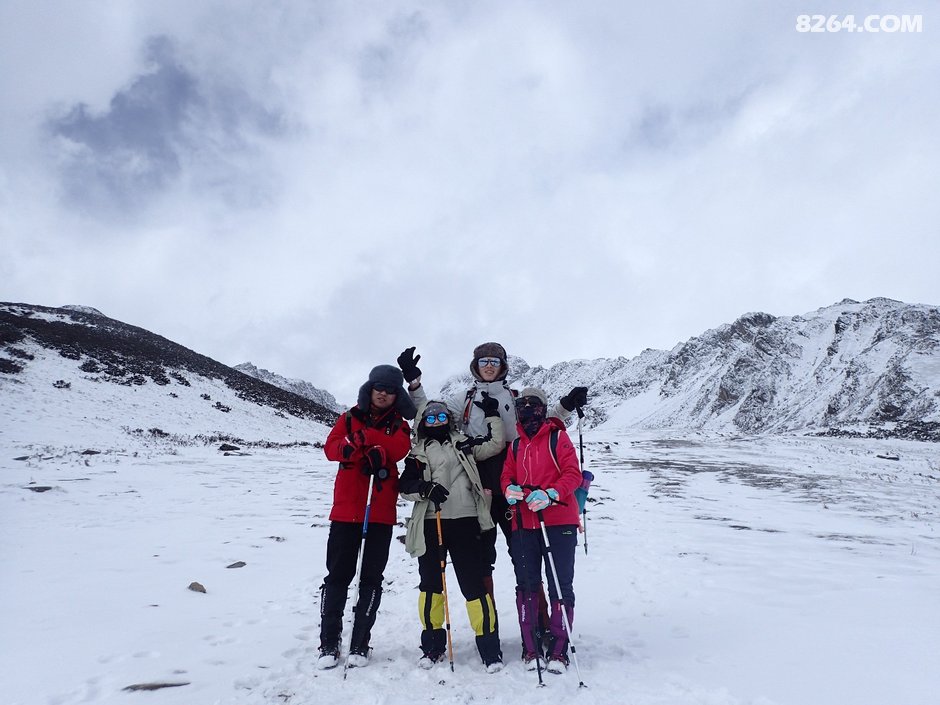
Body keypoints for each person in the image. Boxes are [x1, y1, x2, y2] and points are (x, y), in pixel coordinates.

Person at [398, 344, 587, 595]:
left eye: (494, 361)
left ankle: (534, 622)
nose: (489, 365)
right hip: (478, 491)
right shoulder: (462, 400)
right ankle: (489, 628)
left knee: (523, 558)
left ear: (503, 366)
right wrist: (414, 384)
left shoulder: (515, 398)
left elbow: (542, 422)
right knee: (481, 561)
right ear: (475, 366)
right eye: (484, 361)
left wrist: (566, 405)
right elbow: (430, 414)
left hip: (515, 490)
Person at [316, 364, 416, 670]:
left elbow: (399, 449)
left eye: (389, 390)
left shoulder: (399, 424)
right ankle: (329, 642)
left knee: (371, 579)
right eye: (378, 388)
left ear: (396, 395)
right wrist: (357, 446)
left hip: (380, 513)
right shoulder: (348, 417)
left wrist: (366, 441)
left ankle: (360, 642)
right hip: (346, 510)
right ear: (369, 389)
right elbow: (331, 448)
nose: (383, 394)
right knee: (337, 577)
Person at [399, 394, 506, 672]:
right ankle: (432, 645)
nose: (436, 421)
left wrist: (493, 415)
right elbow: (405, 485)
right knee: (431, 586)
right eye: (431, 418)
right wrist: (425, 489)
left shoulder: (465, 444)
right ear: (424, 423)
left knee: (473, 585)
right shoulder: (417, 453)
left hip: (466, 520)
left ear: (450, 420)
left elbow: (495, 444)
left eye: (442, 416)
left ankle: (489, 648)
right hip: (431, 522)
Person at [501, 387, 583, 674]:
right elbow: (506, 476)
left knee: (560, 584)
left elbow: (572, 473)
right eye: (522, 405)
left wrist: (550, 494)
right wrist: (508, 490)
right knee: (527, 585)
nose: (527, 410)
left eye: (533, 405)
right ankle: (531, 645)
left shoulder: (558, 437)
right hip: (524, 523)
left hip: (558, 521)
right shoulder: (515, 445)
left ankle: (559, 648)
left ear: (543, 408)